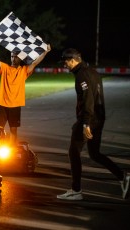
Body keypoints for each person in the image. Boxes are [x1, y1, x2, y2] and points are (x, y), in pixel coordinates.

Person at [56, 48, 130, 200]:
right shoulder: (93, 72)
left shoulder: (82, 75)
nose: (64, 64)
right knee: (94, 153)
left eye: (65, 61)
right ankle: (122, 176)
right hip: (99, 118)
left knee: (73, 152)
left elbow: (88, 99)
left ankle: (76, 191)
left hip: (89, 119)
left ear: (72, 60)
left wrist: (85, 124)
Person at [0, 36, 51, 146]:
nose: (13, 59)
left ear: (20, 59)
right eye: (12, 56)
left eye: (16, 57)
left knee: (13, 130)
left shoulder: (24, 71)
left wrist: (45, 52)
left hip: (15, 105)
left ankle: (12, 150)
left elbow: (35, 63)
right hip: (2, 104)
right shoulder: (4, 68)